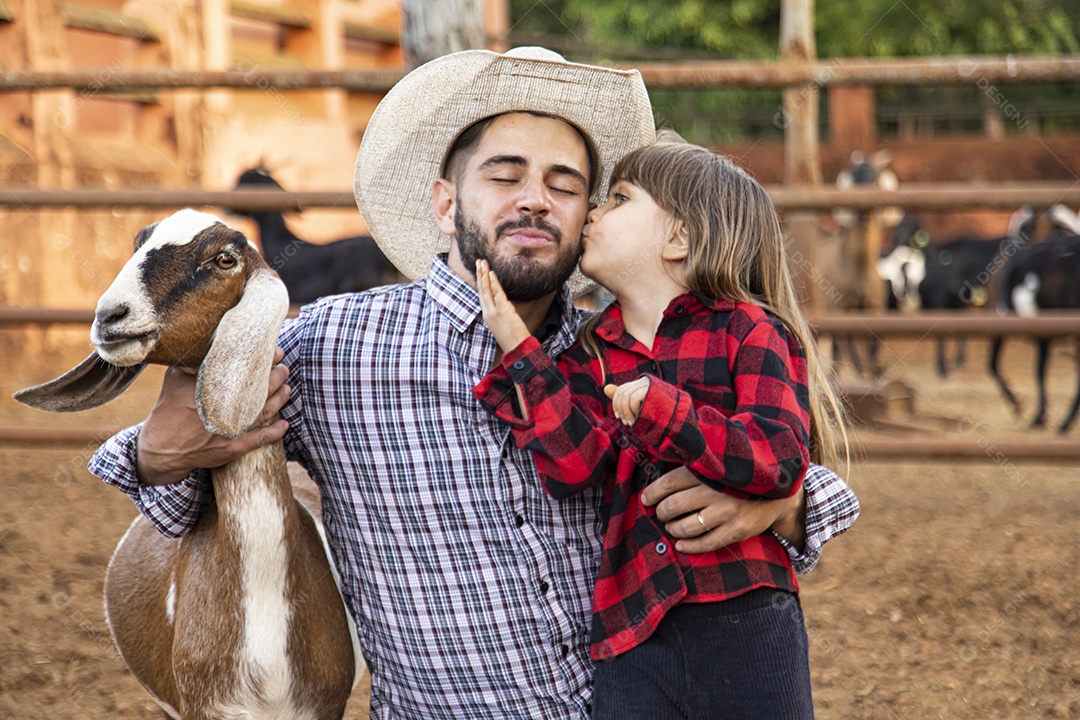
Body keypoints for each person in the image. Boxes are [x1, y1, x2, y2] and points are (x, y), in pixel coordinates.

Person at [88, 48, 859, 720]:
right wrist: (153, 455)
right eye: (505, 174)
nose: (534, 198)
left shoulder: (621, 347)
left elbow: (792, 458)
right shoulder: (334, 347)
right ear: (446, 201)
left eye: (565, 183)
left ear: (587, 213)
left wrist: (787, 504)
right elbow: (201, 472)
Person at [474, 137, 848, 719]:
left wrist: (665, 411)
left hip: (744, 613)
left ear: (678, 239)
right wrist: (522, 354)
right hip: (630, 627)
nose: (593, 211)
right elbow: (576, 468)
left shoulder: (749, 331)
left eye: (619, 198)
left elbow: (777, 458)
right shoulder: (586, 353)